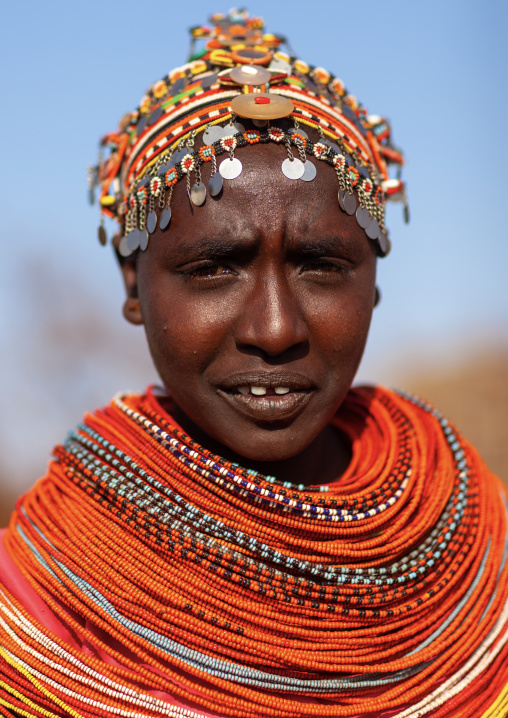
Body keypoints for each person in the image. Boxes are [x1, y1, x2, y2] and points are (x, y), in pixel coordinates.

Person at [1, 10, 507, 718]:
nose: (275, 330)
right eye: (214, 269)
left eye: (322, 266)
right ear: (132, 288)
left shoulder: (476, 534)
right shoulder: (41, 600)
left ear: (375, 280)